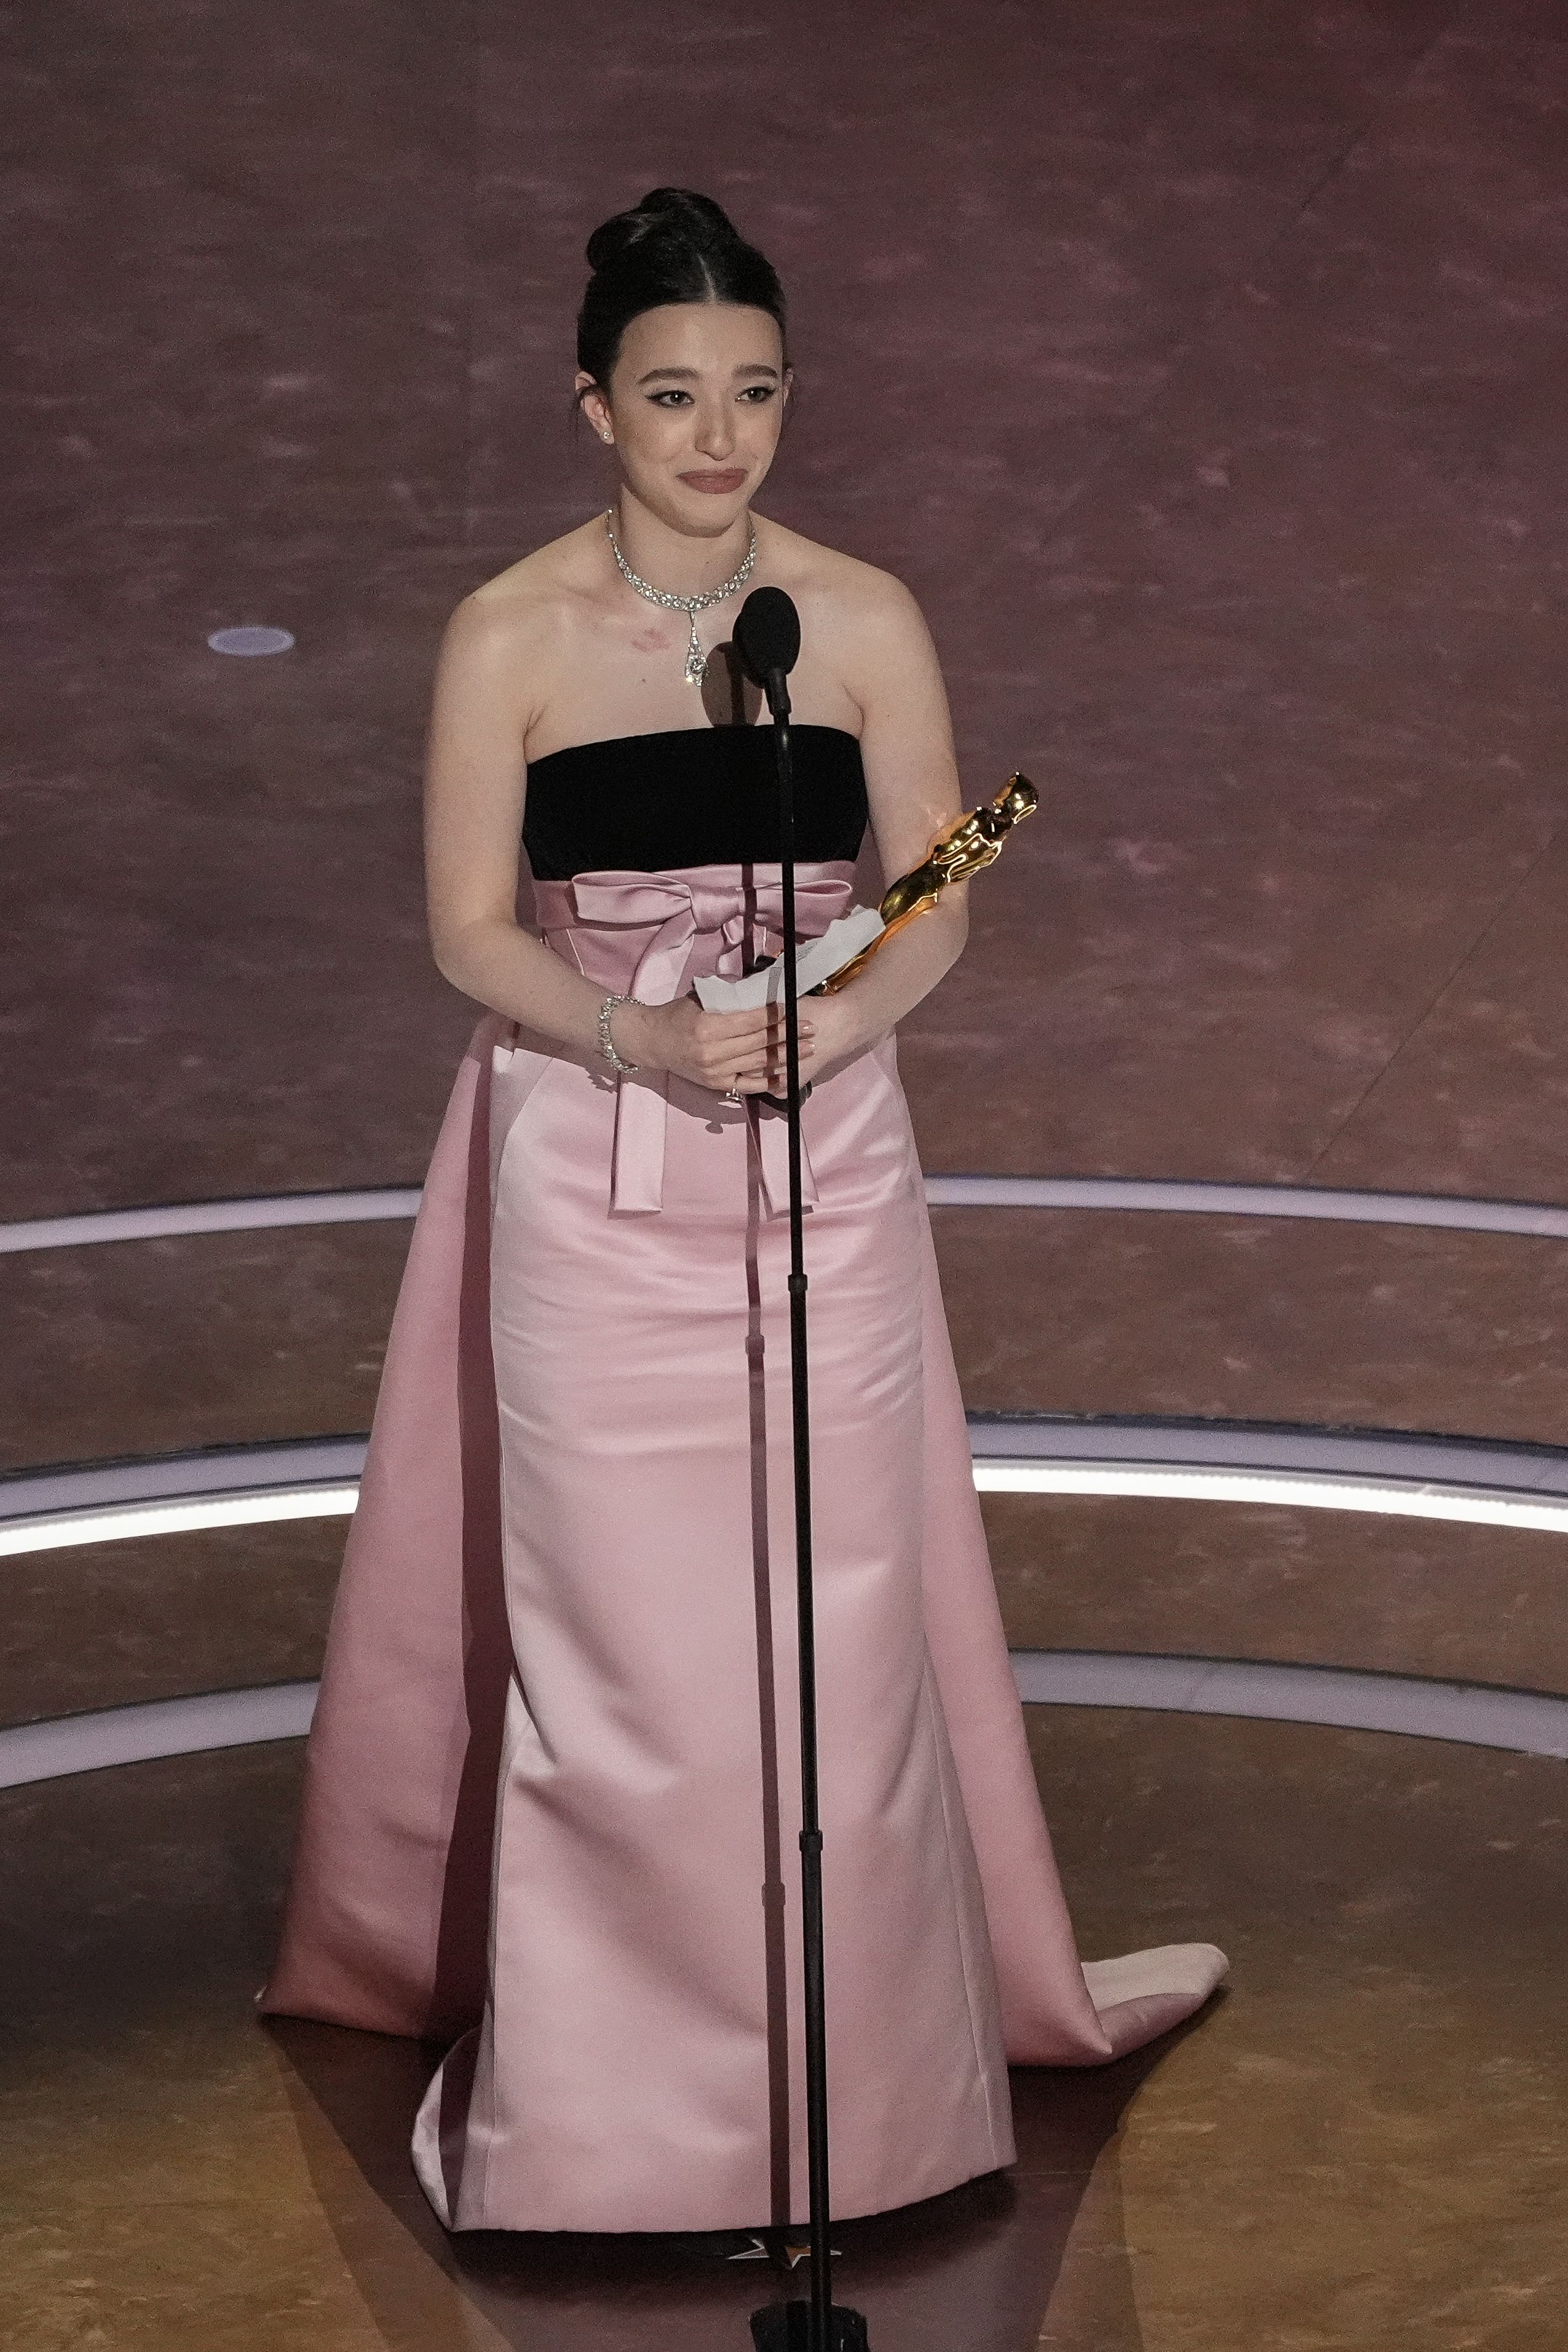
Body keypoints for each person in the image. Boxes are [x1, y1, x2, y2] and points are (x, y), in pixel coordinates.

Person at [260, 186, 1226, 2236]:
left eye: (757, 392)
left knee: (837, 1619)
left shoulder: (855, 617)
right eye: (676, 395)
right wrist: (636, 1039)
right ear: (591, 404)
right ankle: (614, 2133)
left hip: (826, 1159)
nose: (722, 436)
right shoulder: (508, 632)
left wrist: (845, 1018)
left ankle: (865, 2116)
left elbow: (941, 889)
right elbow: (459, 934)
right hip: (596, 1166)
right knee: (628, 1649)